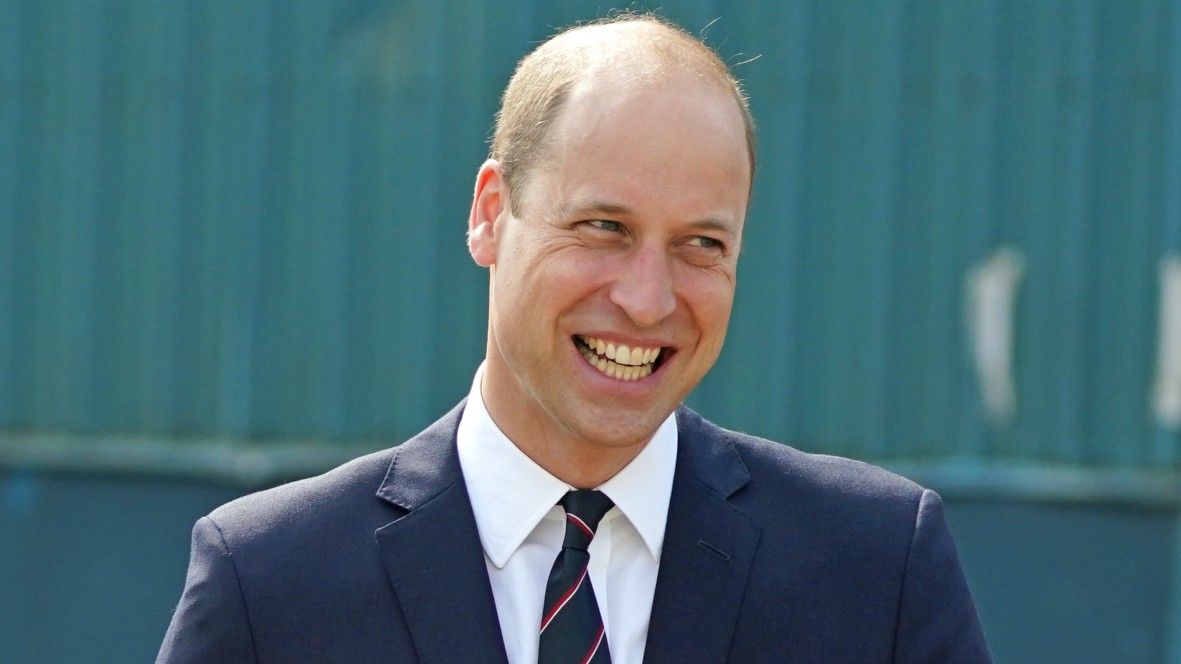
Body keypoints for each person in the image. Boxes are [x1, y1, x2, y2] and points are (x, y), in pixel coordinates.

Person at [158, 13, 990, 664]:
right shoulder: (271, 582)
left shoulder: (876, 570)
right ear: (490, 214)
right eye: (602, 227)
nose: (645, 298)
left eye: (701, 243)